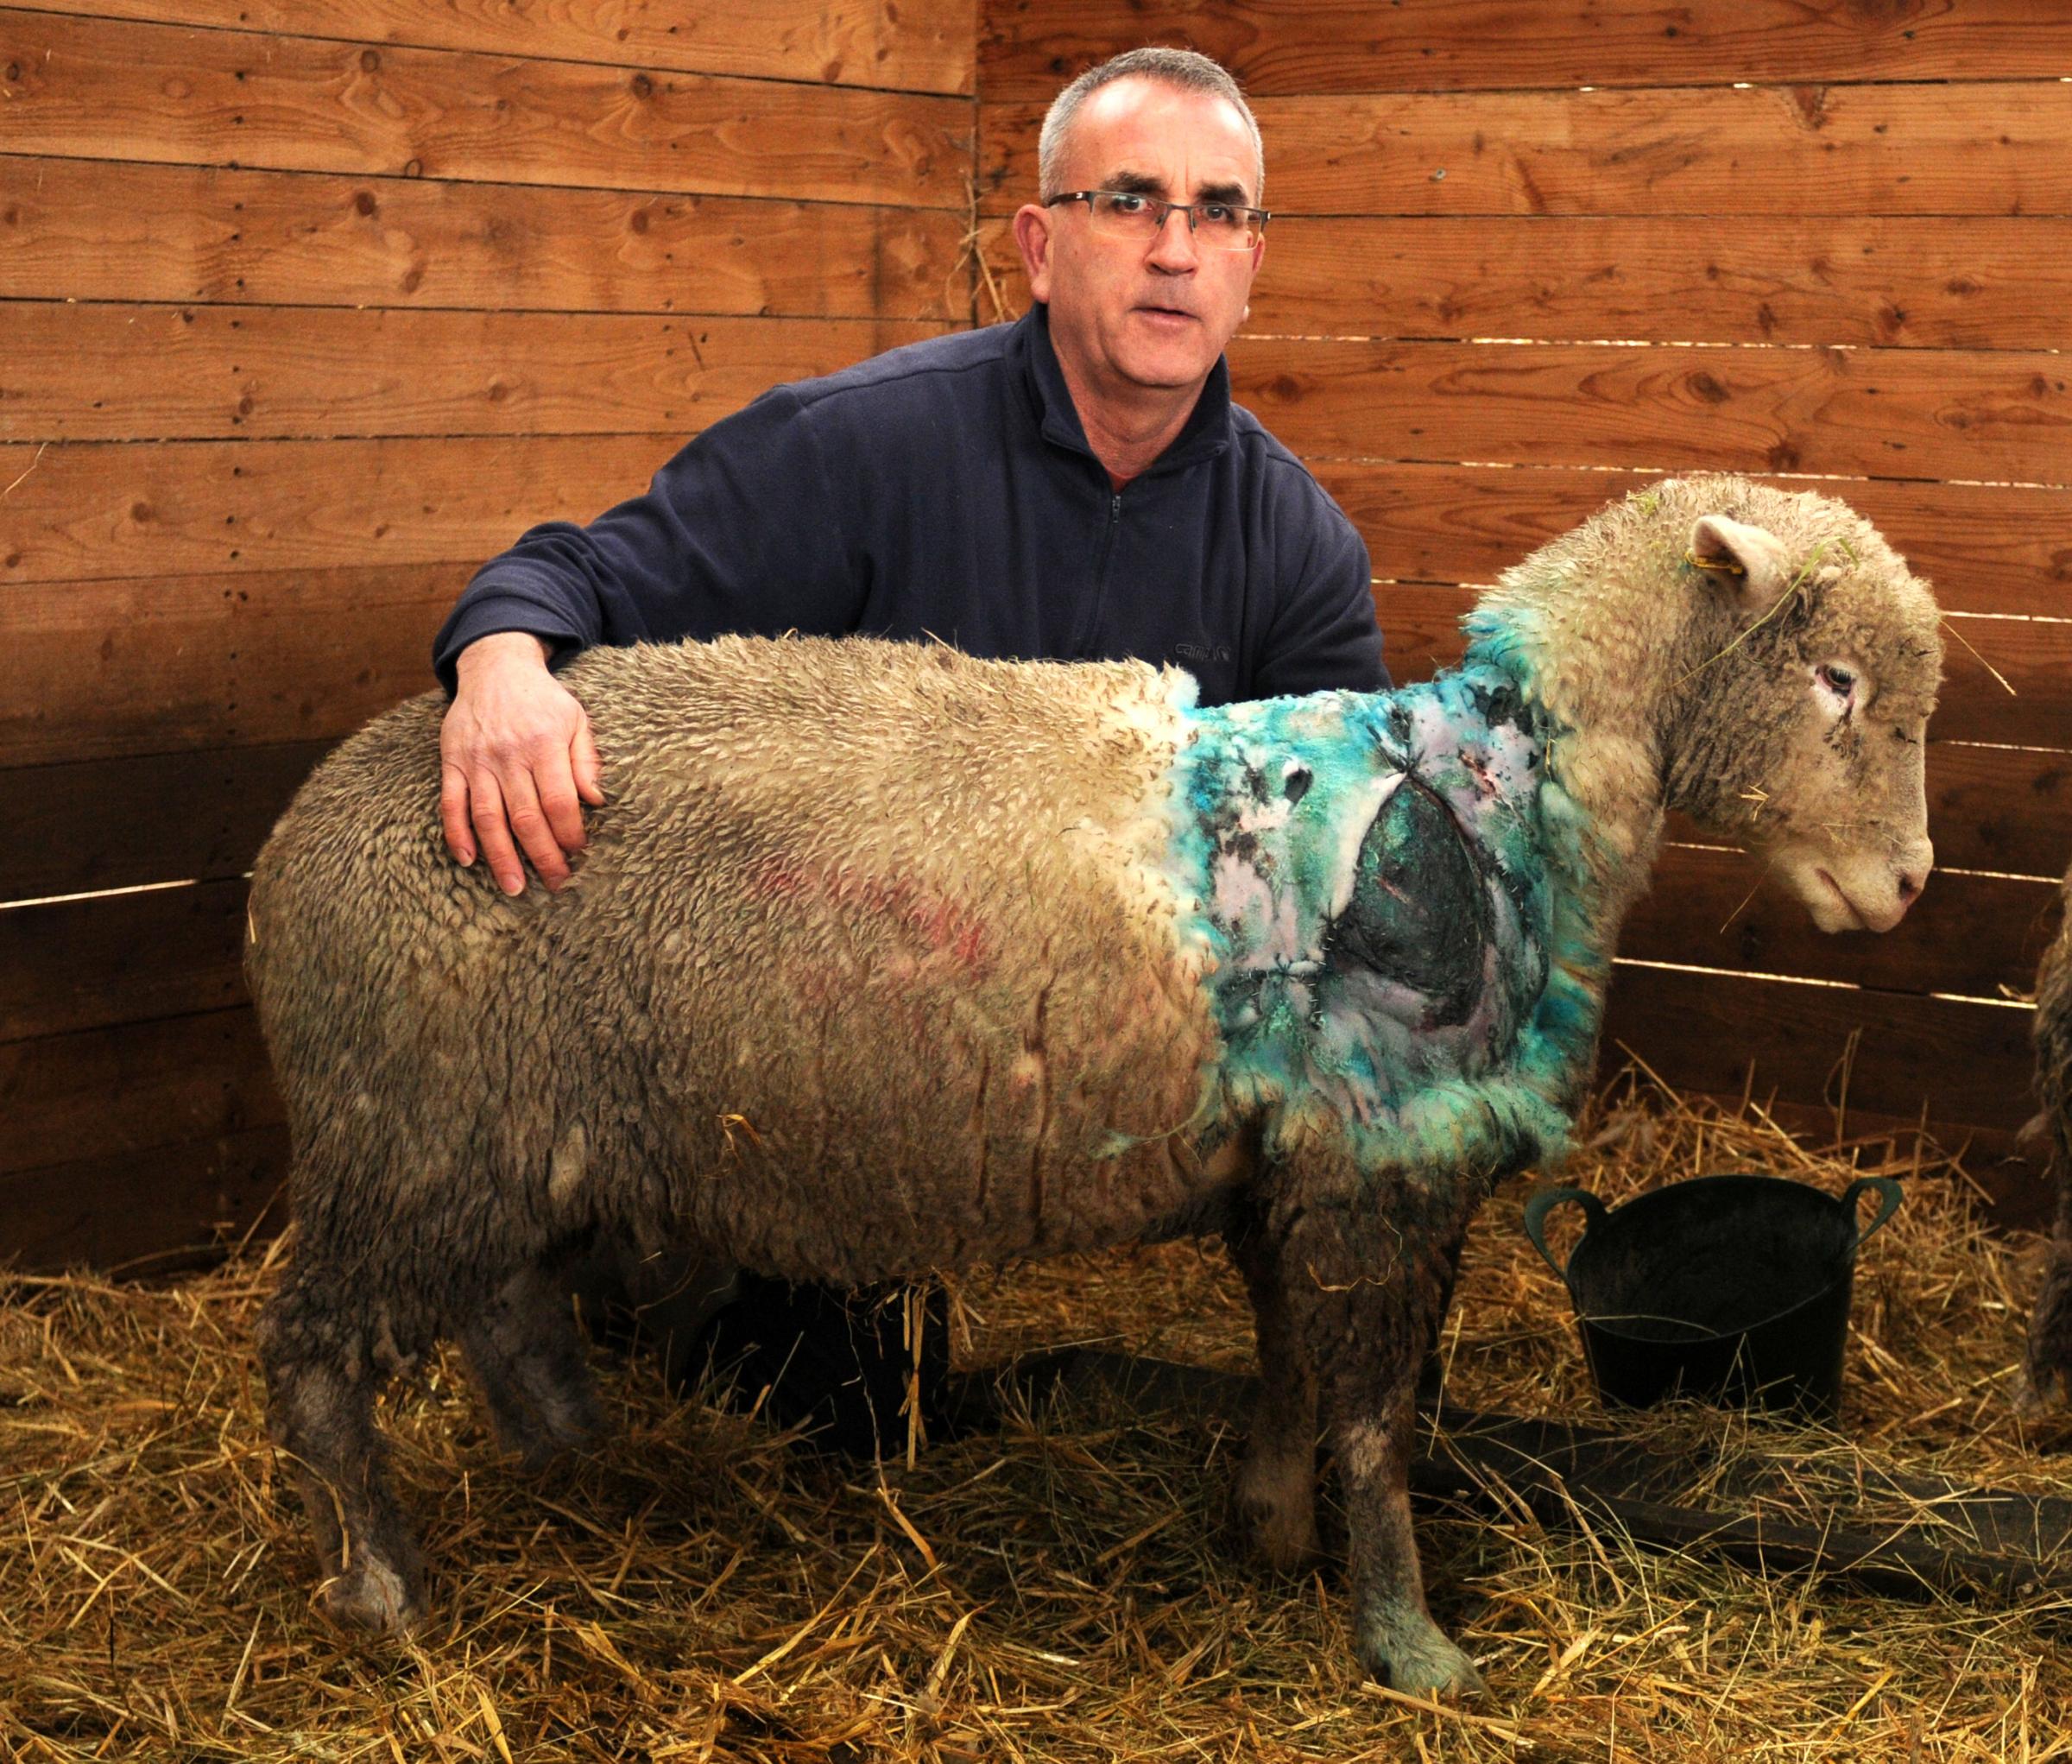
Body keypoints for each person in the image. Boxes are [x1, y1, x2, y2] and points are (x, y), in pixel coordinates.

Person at [430, 46, 1388, 1451]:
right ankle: (658, 1272)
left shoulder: (1291, 537)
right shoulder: (858, 447)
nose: (1177, 252)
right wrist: (501, 667)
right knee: (825, 1417)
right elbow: (576, 574)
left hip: (1104, 1065)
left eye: (1219, 212)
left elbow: (1343, 850)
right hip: (839, 1054)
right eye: (1131, 204)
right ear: (1040, 247)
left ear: (1255, 258)